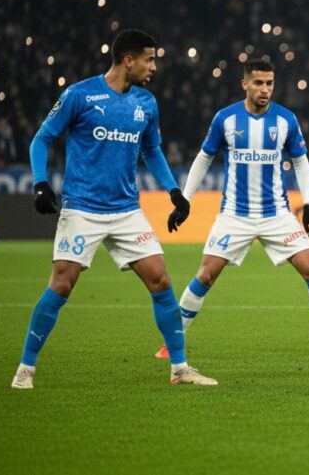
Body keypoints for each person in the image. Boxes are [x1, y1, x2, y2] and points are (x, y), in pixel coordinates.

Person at [12, 29, 216, 388]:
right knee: (62, 284)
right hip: (83, 208)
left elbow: (151, 151)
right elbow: (42, 138)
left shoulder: (146, 104)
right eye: (149, 59)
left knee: (161, 278)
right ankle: (25, 369)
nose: (154, 67)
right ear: (128, 60)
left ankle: (180, 368)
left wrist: (173, 192)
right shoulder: (79, 94)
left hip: (125, 210)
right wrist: (40, 182)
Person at [152, 60, 309, 359]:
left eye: (270, 83)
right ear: (244, 84)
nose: (265, 89)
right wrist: (185, 199)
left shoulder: (286, 120)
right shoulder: (226, 119)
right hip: (235, 214)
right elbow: (204, 157)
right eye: (258, 83)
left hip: (277, 215)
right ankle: (173, 341)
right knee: (206, 274)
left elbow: (300, 160)